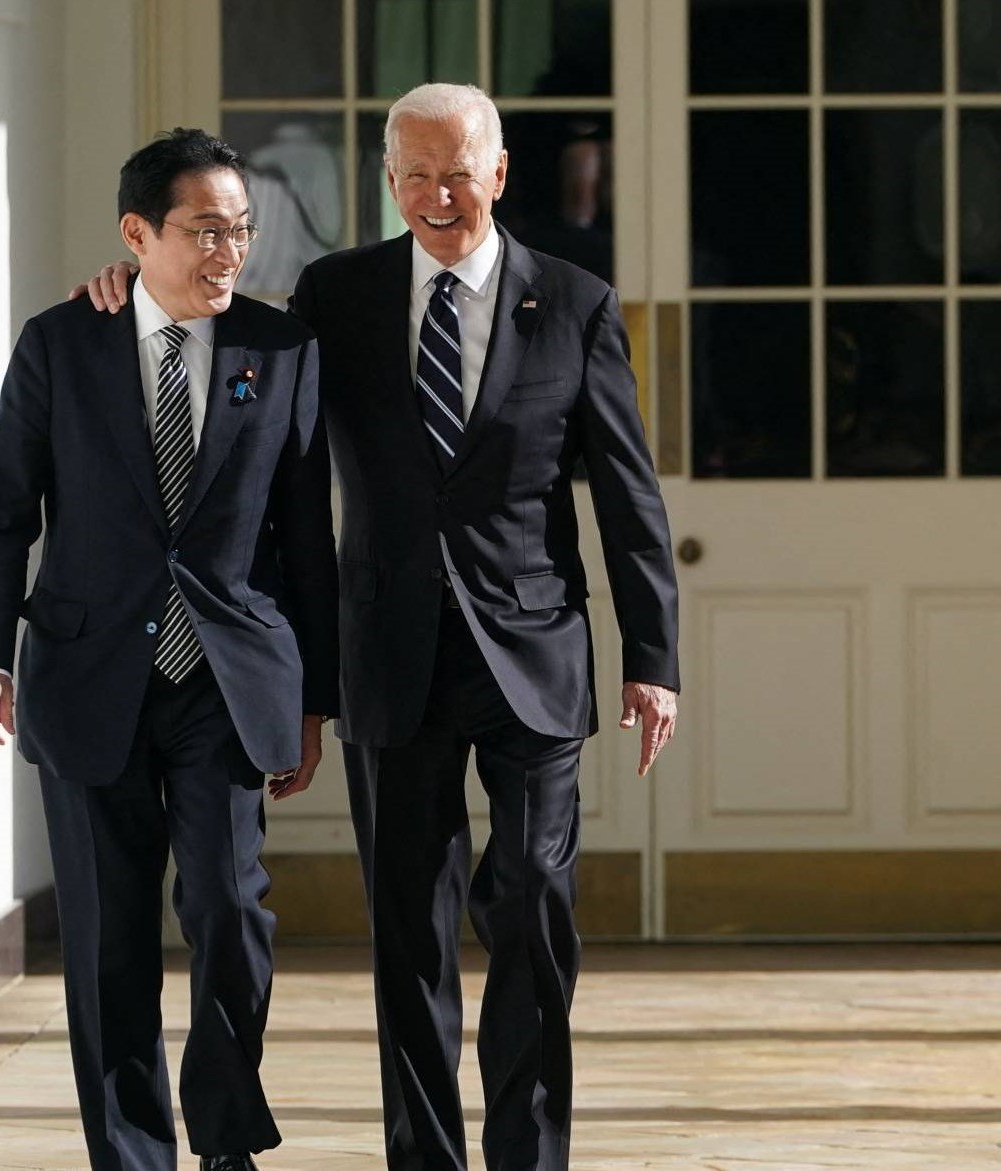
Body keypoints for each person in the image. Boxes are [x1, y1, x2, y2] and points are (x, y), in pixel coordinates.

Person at [80, 84, 681, 1171]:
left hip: (533, 651)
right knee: (408, 928)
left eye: (459, 175)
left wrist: (653, 658)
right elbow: (237, 353)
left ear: (500, 174)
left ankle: (529, 1155)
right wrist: (135, 291)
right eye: (415, 176)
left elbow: (629, 497)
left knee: (532, 900)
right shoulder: (337, 292)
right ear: (389, 179)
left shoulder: (575, 302)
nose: (438, 196)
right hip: (388, 655)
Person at [0, 128, 337, 1171]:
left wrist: (314, 699)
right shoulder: (61, 343)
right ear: (138, 233)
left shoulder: (281, 347)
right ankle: (131, 1155)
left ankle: (224, 1140)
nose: (230, 252)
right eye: (205, 230)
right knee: (106, 939)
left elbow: (307, 538)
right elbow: (2, 513)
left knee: (230, 910)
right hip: (88, 678)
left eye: (242, 229)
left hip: (227, 682)